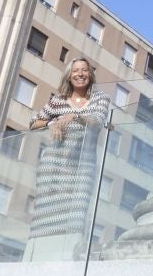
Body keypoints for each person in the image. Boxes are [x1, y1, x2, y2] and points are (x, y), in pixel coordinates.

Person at [26, 58, 112, 243]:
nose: (80, 74)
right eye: (75, 71)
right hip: (53, 166)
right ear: (69, 75)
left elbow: (97, 121)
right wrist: (53, 122)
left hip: (82, 166)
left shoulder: (100, 99)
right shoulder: (58, 100)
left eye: (84, 70)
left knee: (75, 217)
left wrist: (75, 116)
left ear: (90, 74)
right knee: (44, 215)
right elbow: (33, 123)